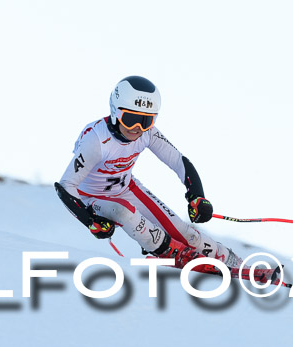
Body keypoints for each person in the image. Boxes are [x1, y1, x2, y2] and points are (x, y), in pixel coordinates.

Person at [54, 75, 242, 269]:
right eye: (130, 119)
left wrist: (197, 196)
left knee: (185, 232)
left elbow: (179, 161)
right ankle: (172, 253)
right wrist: (90, 220)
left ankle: (237, 264)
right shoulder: (96, 139)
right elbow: (66, 186)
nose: (137, 128)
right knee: (123, 211)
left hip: (127, 189)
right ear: (115, 112)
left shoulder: (148, 133)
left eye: (146, 120)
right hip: (92, 198)